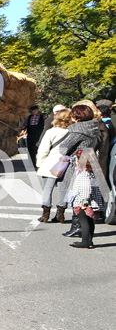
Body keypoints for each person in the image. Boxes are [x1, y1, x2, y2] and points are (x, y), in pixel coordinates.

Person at [54, 103, 103, 237]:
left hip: (77, 163)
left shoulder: (77, 131)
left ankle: (77, 226)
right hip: (90, 162)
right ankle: (83, 228)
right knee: (87, 197)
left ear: (77, 117)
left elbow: (63, 148)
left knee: (77, 196)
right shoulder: (95, 128)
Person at [34, 107, 72, 223]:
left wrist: (39, 163)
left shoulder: (51, 132)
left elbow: (43, 149)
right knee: (63, 189)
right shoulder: (72, 132)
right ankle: (61, 214)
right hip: (66, 162)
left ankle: (45, 214)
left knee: (47, 188)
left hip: (51, 162)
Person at [69, 153, 103, 249]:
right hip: (93, 202)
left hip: (84, 202)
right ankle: (89, 241)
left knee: (84, 222)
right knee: (90, 222)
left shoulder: (84, 174)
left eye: (77, 159)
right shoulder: (93, 173)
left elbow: (86, 189)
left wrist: (83, 202)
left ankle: (84, 242)